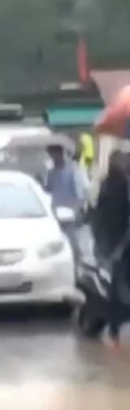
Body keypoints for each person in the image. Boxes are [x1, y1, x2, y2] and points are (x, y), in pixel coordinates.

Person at [94, 151, 130, 344]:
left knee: (117, 288)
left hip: (114, 244)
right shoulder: (119, 185)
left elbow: (99, 216)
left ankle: (115, 333)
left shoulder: (109, 183)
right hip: (120, 245)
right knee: (118, 289)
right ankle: (115, 333)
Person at [45, 142, 89, 257]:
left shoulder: (74, 169)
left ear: (61, 154)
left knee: (72, 239)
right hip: (57, 210)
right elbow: (49, 189)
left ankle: (77, 261)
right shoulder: (51, 172)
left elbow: (80, 191)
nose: (54, 158)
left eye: (55, 155)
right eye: (51, 156)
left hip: (71, 210)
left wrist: (79, 208)